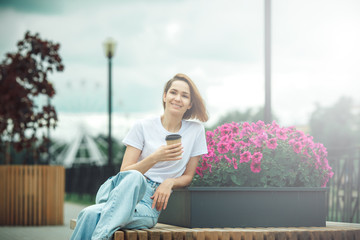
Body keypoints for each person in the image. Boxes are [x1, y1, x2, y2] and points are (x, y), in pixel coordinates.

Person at [70, 73, 209, 240]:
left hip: (149, 205)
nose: (178, 98)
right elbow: (125, 172)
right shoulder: (142, 126)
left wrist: (169, 182)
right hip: (124, 190)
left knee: (88, 214)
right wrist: (154, 158)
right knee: (135, 177)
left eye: (185, 95)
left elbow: (188, 176)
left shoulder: (196, 130)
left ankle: (100, 236)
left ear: (190, 104)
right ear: (164, 96)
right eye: (173, 92)